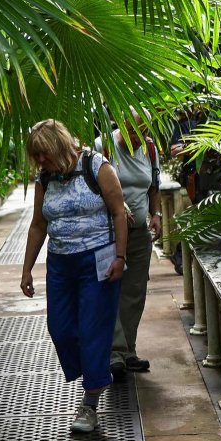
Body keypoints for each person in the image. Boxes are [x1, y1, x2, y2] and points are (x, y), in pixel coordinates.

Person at [19, 118, 129, 433]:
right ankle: (94, 369)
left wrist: (120, 257)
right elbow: (39, 225)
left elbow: (120, 213)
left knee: (94, 331)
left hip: (98, 261)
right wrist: (27, 268)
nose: (41, 160)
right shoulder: (45, 179)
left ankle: (90, 404)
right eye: (36, 155)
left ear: (59, 145)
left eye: (44, 153)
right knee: (61, 329)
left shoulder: (98, 167)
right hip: (60, 263)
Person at [96, 113, 160, 378]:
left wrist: (156, 215)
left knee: (135, 291)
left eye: (142, 131)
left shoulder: (150, 149)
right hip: (108, 232)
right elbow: (94, 185)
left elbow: (153, 186)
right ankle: (114, 352)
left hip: (138, 232)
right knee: (110, 288)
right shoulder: (103, 147)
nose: (137, 137)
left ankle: (127, 350)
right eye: (132, 131)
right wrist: (117, 205)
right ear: (120, 125)